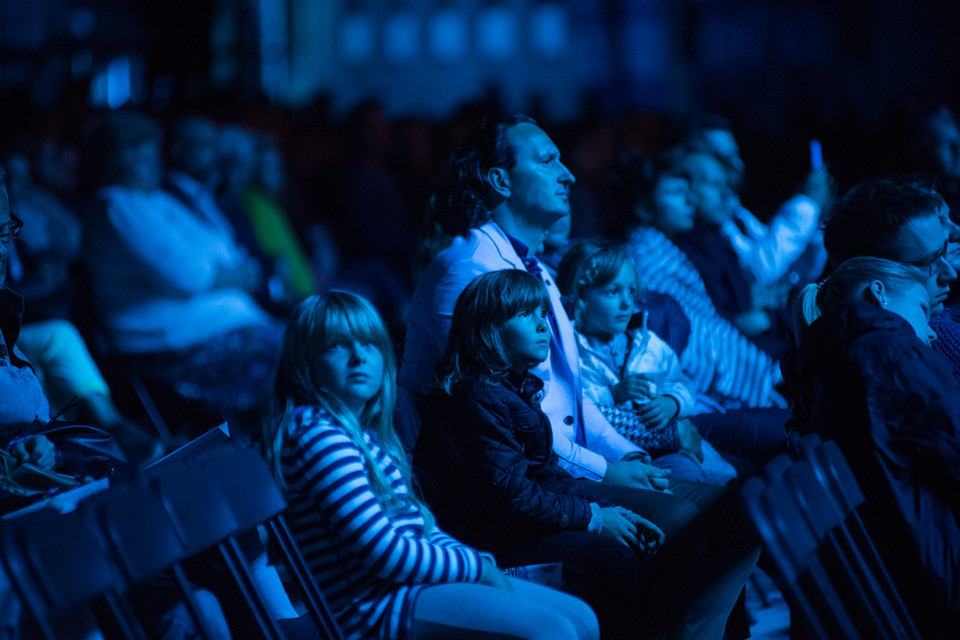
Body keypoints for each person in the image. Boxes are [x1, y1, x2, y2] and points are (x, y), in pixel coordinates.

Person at [416, 269, 758, 640]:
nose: (542, 323)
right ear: (488, 330)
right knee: (615, 556)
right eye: (524, 315)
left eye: (541, 312)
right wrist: (594, 518)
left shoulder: (511, 389)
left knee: (661, 530)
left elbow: (546, 474)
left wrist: (609, 510)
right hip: (486, 534)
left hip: (510, 517)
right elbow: (511, 498)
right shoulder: (478, 397)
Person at [262, 290, 599, 640]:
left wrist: (476, 561)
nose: (358, 357)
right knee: (555, 630)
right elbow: (383, 552)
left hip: (406, 587)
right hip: (371, 608)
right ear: (304, 364)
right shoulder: (316, 435)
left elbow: (421, 527)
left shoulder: (360, 435)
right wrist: (476, 568)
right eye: (336, 346)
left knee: (582, 618)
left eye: (369, 344)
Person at [402, 114, 666, 489]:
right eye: (547, 161)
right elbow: (504, 416)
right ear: (500, 180)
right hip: (511, 483)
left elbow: (572, 394)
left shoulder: (533, 267)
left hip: (559, 465)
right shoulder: (469, 268)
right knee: (692, 511)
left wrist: (626, 455)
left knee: (702, 495)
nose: (568, 176)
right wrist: (609, 473)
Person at [782, 256, 960, 635]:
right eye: (923, 310)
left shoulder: (830, 364)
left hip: (904, 565)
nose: (930, 333)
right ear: (878, 294)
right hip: (937, 567)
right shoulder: (890, 351)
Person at [81, 111, 281, 427]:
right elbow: (191, 275)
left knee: (317, 348)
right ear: (114, 160)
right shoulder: (118, 205)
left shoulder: (152, 200)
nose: (150, 163)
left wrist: (224, 273)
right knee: (297, 365)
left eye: (151, 153)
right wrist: (234, 276)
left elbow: (220, 251)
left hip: (214, 327)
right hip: (172, 345)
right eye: (138, 155)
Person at [556, 239, 737, 485]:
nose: (626, 302)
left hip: (672, 441)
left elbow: (680, 383)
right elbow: (575, 404)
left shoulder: (647, 342)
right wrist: (613, 394)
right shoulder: (571, 352)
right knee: (689, 479)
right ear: (579, 296)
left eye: (631, 291)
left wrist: (672, 402)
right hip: (622, 460)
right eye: (612, 292)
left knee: (726, 480)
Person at [820, 176, 960, 372]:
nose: (950, 273)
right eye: (930, 262)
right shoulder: (937, 349)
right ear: (878, 278)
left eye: (945, 252)